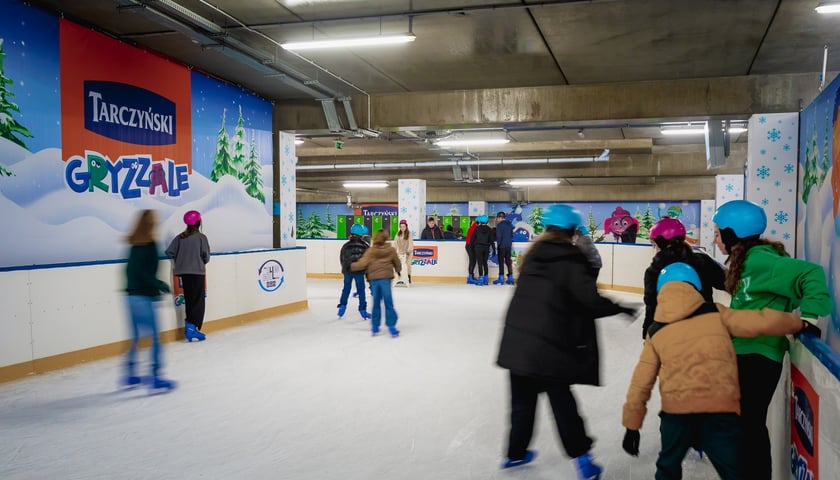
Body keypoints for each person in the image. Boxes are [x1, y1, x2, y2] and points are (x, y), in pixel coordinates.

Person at [621, 262, 817, 480]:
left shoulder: (655, 331)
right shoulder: (717, 313)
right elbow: (759, 321)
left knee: (667, 468)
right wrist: (798, 323)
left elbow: (641, 381)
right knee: (736, 471)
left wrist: (632, 425)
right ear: (695, 287)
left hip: (677, 413)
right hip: (719, 410)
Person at [496, 204, 637, 480]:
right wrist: (620, 308)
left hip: (518, 343)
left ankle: (515, 454)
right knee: (563, 404)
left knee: (522, 403)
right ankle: (584, 461)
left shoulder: (533, 255)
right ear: (572, 231)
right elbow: (589, 300)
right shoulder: (570, 258)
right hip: (550, 346)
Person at [712, 199, 832, 480]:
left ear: (733, 233)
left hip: (757, 357)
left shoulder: (760, 260)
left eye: (718, 233)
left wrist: (811, 318)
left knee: (747, 427)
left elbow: (810, 273)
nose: (715, 240)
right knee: (744, 426)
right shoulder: (748, 262)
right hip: (746, 353)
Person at [642, 217, 725, 339]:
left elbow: (652, 307)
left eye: (654, 244)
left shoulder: (654, 271)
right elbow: (726, 283)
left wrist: (647, 333)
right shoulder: (703, 261)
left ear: (660, 243)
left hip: (670, 335)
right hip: (704, 329)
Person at [124, 210, 175, 391]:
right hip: (144, 298)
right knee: (155, 339)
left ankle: (129, 373)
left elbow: (130, 272)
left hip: (130, 297)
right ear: (152, 224)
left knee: (136, 337)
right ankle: (155, 376)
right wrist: (159, 284)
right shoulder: (151, 245)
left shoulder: (133, 245)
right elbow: (146, 274)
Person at [166, 210, 210, 342]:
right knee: (197, 301)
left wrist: (182, 259)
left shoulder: (180, 237)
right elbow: (206, 256)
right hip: (197, 272)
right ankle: (192, 329)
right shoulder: (201, 238)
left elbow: (170, 252)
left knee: (190, 300)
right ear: (198, 222)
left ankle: (190, 328)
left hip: (183, 273)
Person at [351, 229, 402, 337]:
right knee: (388, 303)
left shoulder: (371, 251)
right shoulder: (391, 250)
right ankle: (391, 326)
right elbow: (397, 262)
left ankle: (375, 326)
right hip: (385, 280)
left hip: (374, 280)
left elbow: (362, 263)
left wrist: (351, 266)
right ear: (386, 238)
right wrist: (398, 269)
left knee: (376, 303)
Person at [338, 224, 371, 320]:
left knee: (346, 289)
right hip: (359, 271)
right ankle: (362, 310)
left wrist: (344, 269)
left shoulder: (345, 246)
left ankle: (342, 306)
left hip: (348, 271)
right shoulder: (365, 246)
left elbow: (342, 259)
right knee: (361, 290)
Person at [470, 215, 493, 285]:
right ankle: (486, 279)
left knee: (480, 263)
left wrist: (473, 246)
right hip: (486, 248)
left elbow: (472, 239)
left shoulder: (477, 229)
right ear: (487, 221)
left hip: (478, 247)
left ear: (480, 221)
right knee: (485, 263)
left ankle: (481, 278)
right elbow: (491, 240)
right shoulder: (490, 229)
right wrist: (493, 249)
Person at [493, 211, 514, 285]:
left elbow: (499, 236)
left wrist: (498, 245)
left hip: (502, 246)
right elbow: (511, 235)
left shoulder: (499, 225)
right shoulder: (510, 224)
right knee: (508, 262)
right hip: (509, 245)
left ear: (500, 218)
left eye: (497, 218)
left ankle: (501, 278)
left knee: (501, 262)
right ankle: (511, 278)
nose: (497, 220)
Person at [393, 219, 413, 287]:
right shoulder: (398, 233)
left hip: (408, 253)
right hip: (401, 253)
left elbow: (410, 244)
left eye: (404, 226)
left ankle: (408, 277)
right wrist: (395, 251)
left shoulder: (409, 234)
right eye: (401, 226)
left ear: (406, 226)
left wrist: (408, 251)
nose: (402, 228)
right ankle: (399, 278)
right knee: (398, 265)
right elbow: (395, 243)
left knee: (407, 265)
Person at [465, 219, 478, 284]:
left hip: (469, 246)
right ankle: (470, 277)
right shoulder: (474, 227)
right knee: (472, 261)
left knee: (472, 261)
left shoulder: (471, 228)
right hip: (470, 246)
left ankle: (471, 276)